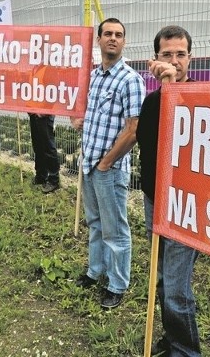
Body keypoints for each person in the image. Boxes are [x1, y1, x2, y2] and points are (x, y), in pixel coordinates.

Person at [71, 18, 145, 309]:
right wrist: (79, 121)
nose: (113, 38)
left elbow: (134, 129)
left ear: (124, 42)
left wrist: (106, 163)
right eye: (108, 34)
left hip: (108, 169)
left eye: (119, 35)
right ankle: (95, 271)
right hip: (88, 163)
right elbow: (91, 115)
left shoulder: (130, 80)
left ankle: (117, 284)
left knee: (115, 230)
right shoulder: (95, 77)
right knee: (96, 224)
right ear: (99, 40)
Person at [136, 25, 201, 356]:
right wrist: (165, 90)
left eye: (180, 54)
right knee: (160, 279)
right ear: (155, 59)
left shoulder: (204, 102)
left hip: (186, 208)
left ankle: (187, 350)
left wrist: (171, 88)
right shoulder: (151, 103)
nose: (174, 61)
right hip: (155, 201)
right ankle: (172, 337)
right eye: (167, 55)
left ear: (191, 57)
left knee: (176, 288)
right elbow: (149, 149)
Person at [28, 113, 61, 193]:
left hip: (45, 114)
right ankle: (41, 176)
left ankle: (54, 180)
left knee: (48, 146)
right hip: (34, 113)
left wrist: (45, 112)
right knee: (37, 145)